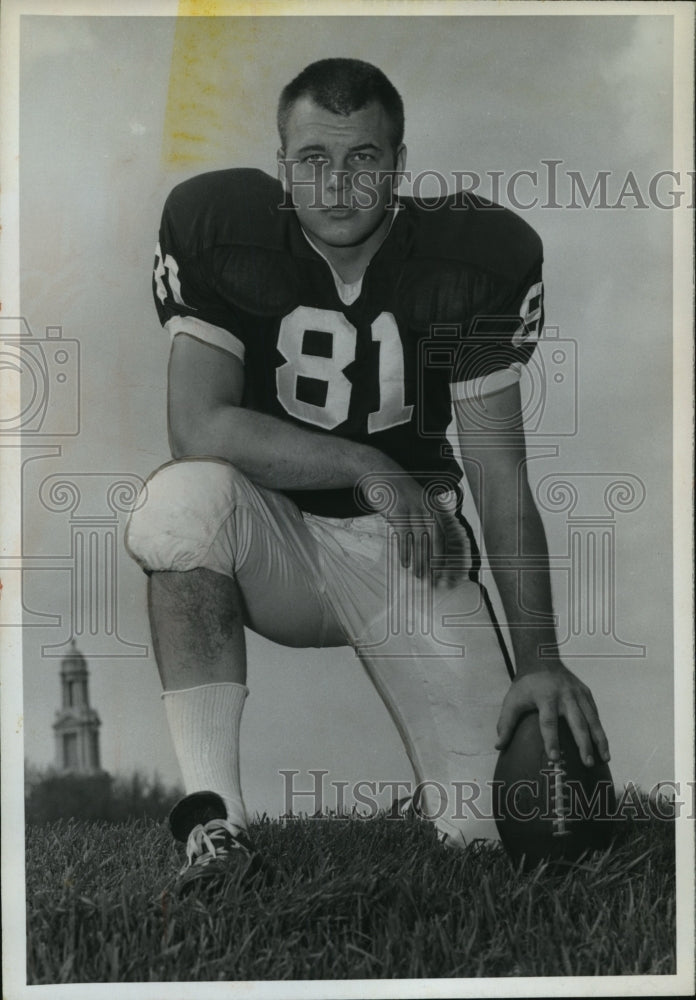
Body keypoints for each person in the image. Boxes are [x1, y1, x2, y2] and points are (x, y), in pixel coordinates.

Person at [125, 57, 610, 893]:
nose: (338, 184)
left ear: (399, 161)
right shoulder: (218, 225)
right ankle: (216, 823)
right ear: (281, 162)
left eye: (363, 159)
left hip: (409, 551)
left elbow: (499, 476)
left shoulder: (478, 257)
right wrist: (367, 462)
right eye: (314, 157)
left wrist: (542, 658)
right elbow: (198, 423)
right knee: (179, 503)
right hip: (272, 535)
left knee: (486, 832)